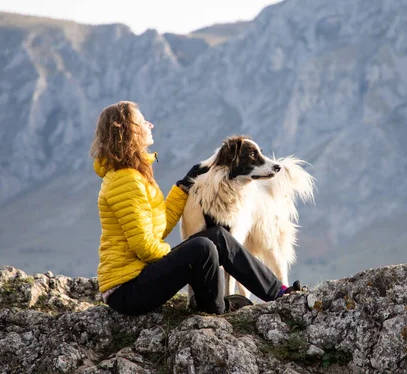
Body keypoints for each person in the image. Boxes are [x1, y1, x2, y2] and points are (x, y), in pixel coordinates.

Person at [90, 101, 300, 316]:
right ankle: (218, 307)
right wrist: (182, 256)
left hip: (138, 280)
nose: (150, 124)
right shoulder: (126, 181)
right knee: (202, 247)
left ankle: (278, 292)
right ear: (130, 132)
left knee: (217, 236)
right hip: (127, 291)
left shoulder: (133, 175)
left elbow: (157, 228)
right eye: (143, 121)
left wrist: (183, 186)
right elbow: (144, 247)